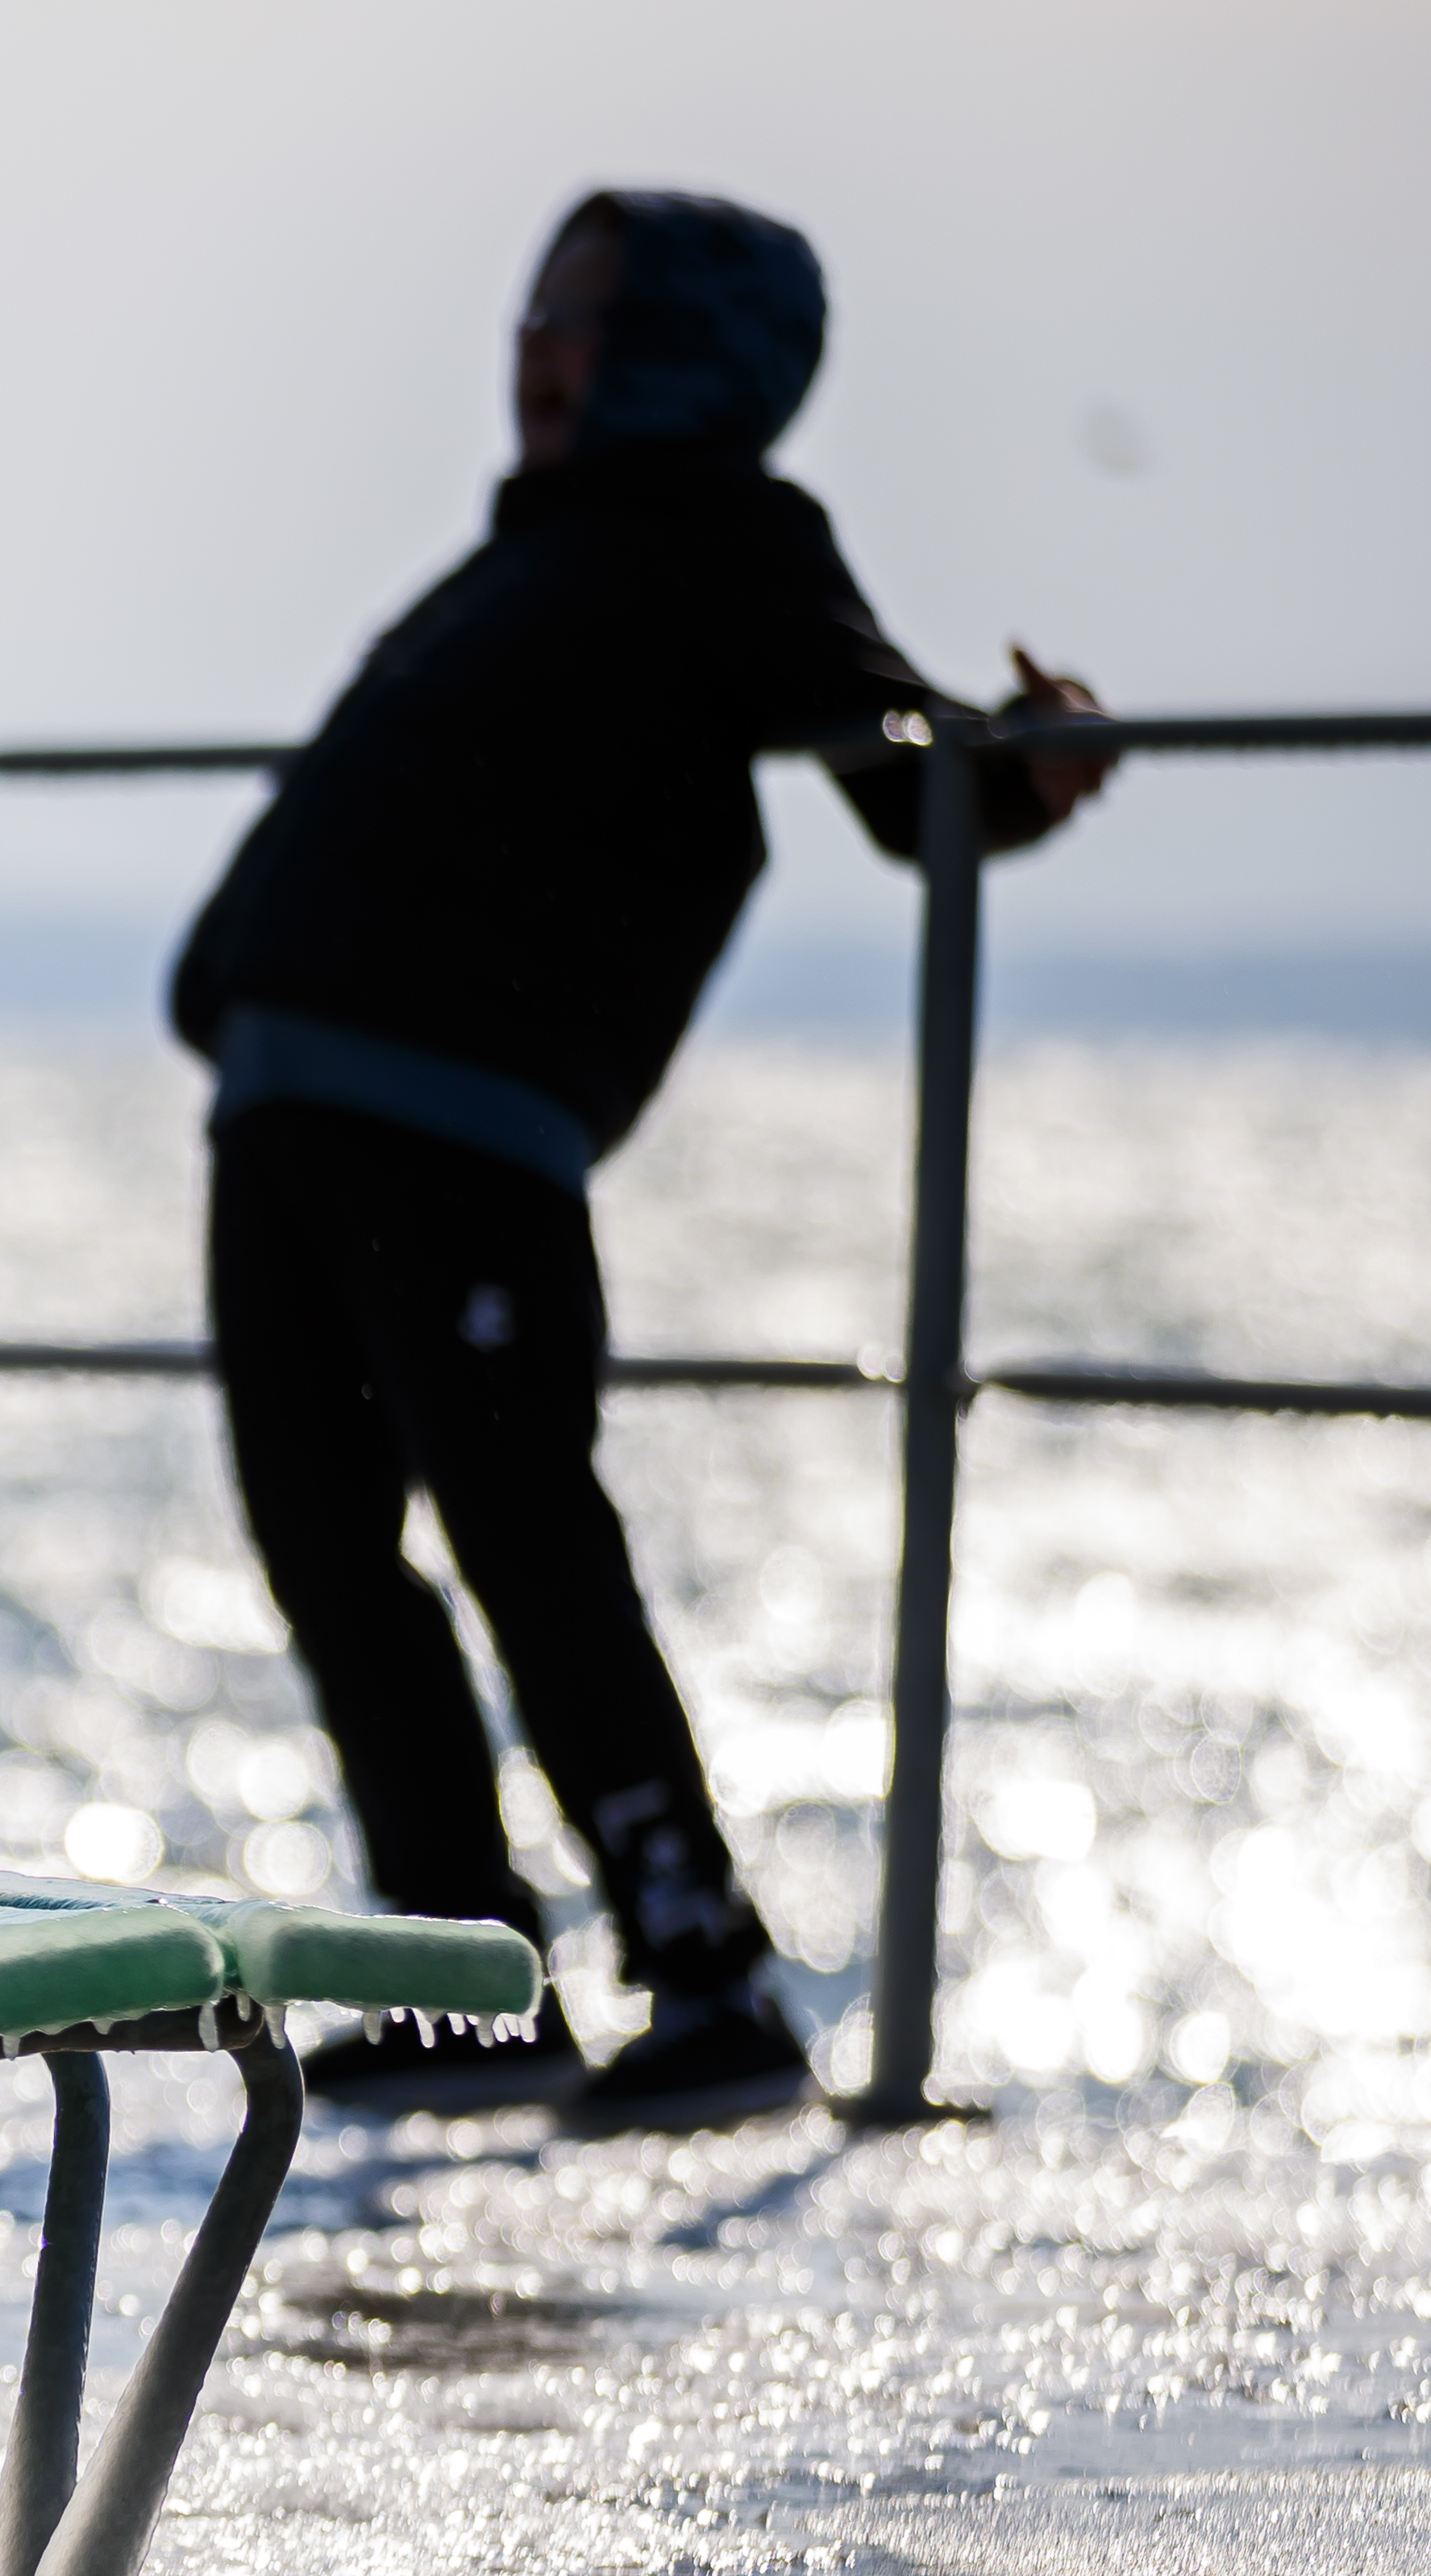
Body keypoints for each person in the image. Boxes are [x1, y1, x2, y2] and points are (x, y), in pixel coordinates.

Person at [169, 193, 1113, 2129]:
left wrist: (1013, 764)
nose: (532, 343)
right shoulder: (522, 560)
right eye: (530, 304)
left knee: (522, 1530)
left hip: (456, 1126)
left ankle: (706, 1968)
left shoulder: (730, 543)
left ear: (687, 350)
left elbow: (898, 772)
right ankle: (459, 1974)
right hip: (286, 1104)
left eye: (579, 313)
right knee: (328, 1546)